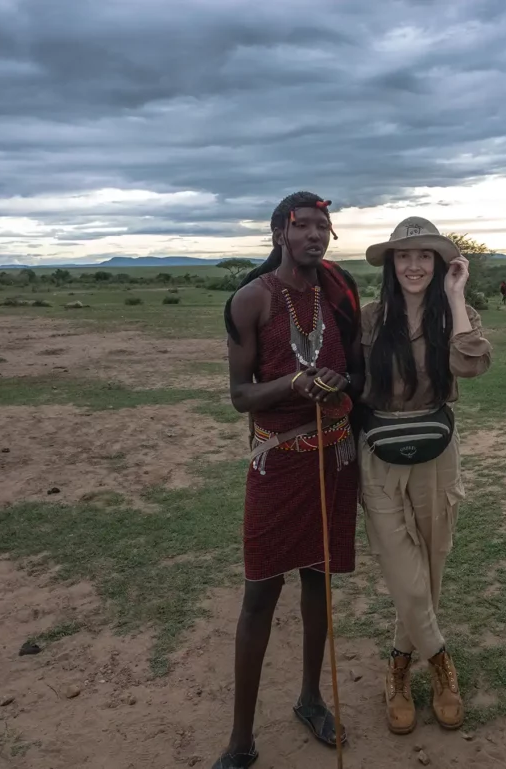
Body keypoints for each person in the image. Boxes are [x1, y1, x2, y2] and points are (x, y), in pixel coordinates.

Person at [216, 191, 364, 769]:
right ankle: (241, 740)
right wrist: (293, 385)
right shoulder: (252, 299)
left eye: (324, 227)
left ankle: (310, 699)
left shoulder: (338, 291)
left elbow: (355, 367)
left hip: (334, 459)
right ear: (280, 232)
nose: (315, 236)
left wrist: (338, 380)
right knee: (260, 592)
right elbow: (239, 396)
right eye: (304, 226)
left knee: (318, 583)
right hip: (277, 463)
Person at [359, 216, 492, 735]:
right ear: (391, 264)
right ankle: (438, 660)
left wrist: (456, 297)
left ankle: (397, 665)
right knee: (403, 569)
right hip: (378, 454)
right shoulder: (370, 319)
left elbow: (472, 366)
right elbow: (352, 385)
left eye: (424, 256)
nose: (413, 266)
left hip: (438, 451)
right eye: (403, 256)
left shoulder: (455, 315)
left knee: (432, 563)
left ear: (439, 264)